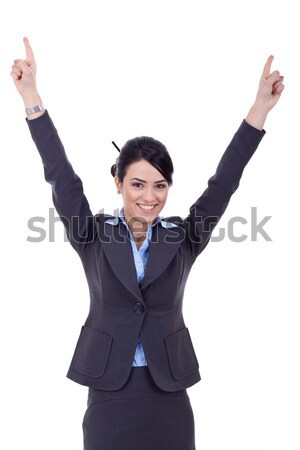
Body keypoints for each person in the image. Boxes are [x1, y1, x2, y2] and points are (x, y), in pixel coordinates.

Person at [11, 37, 284, 450]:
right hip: (109, 390)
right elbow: (60, 175)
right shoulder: (92, 233)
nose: (149, 196)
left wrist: (259, 110)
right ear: (118, 183)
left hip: (168, 391)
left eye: (160, 185)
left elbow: (223, 182)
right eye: (137, 184)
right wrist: (32, 98)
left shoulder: (183, 238)